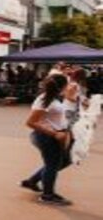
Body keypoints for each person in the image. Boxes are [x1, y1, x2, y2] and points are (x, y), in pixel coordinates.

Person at [21, 74, 73, 206]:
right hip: (46, 137)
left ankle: (32, 181)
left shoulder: (52, 98)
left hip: (52, 136)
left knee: (65, 160)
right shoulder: (46, 99)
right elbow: (30, 122)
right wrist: (54, 134)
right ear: (62, 86)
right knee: (52, 165)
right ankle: (47, 195)